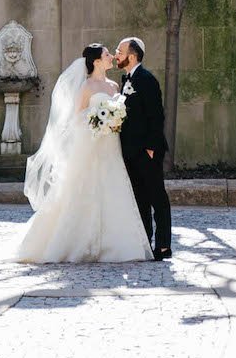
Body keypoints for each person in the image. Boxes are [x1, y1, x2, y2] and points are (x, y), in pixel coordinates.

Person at [16, 43, 152, 264]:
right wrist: (98, 120)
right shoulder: (87, 87)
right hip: (90, 145)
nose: (111, 57)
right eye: (107, 54)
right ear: (97, 61)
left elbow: (121, 115)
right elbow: (76, 118)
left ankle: (116, 245)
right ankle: (73, 242)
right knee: (83, 189)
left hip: (111, 145)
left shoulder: (114, 86)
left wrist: (114, 120)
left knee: (113, 187)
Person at [114, 36, 172, 261]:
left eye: (120, 51)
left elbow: (157, 116)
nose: (117, 54)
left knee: (157, 197)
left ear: (132, 55)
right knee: (140, 199)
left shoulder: (147, 79)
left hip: (147, 151)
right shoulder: (126, 79)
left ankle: (164, 246)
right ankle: (146, 242)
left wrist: (150, 148)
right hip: (130, 152)